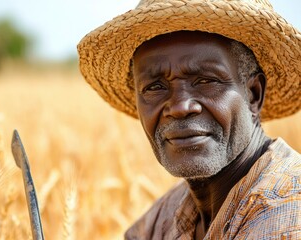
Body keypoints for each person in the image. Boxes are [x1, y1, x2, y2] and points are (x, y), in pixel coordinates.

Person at [78, 0, 301, 239]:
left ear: (254, 95)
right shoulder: (175, 210)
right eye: (155, 87)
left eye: (205, 81)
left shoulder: (287, 214)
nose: (179, 107)